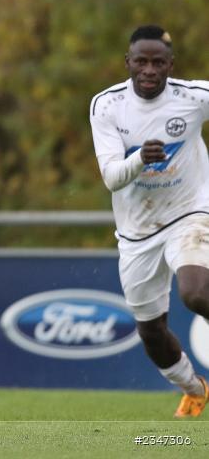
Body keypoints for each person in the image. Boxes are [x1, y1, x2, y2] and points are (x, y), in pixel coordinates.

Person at [90, 25, 209, 418]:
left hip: (189, 211)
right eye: (141, 61)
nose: (149, 70)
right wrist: (140, 157)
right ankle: (194, 389)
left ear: (170, 65)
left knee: (194, 293)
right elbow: (110, 177)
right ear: (128, 62)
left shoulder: (193, 98)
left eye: (158, 62)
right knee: (151, 333)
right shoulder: (107, 106)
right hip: (137, 232)